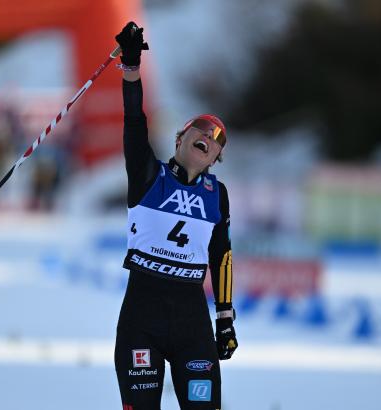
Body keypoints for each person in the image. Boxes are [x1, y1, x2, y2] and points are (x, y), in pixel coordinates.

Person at [113, 22, 238, 410]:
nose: (209, 136)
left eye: (216, 140)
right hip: (142, 316)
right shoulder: (149, 176)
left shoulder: (217, 194)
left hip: (191, 323)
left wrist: (225, 316)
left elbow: (222, 254)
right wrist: (132, 68)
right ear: (179, 139)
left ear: (217, 159)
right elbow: (135, 122)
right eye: (199, 131)